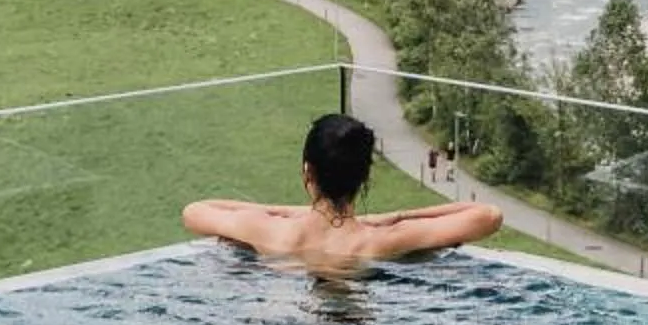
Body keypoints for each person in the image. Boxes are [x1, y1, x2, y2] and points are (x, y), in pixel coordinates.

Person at [183, 114, 502, 264]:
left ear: (308, 171)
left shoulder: (270, 231)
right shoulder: (381, 240)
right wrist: (390, 217)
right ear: (364, 178)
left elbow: (195, 211)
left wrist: (283, 212)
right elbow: (487, 215)